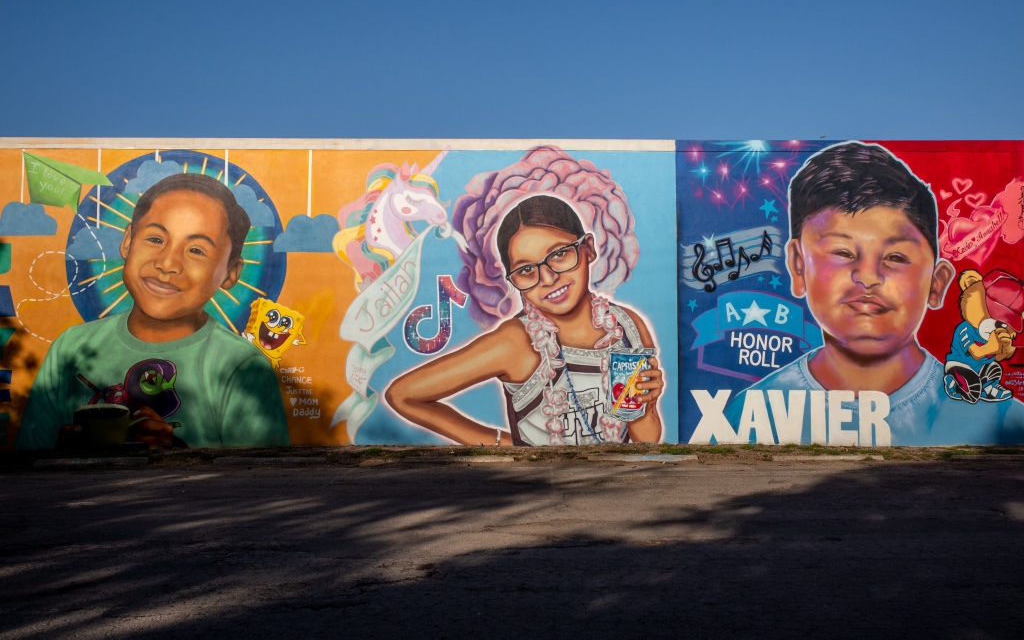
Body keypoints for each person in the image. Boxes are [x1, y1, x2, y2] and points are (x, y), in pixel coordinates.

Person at [714, 142, 1024, 446]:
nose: (868, 277)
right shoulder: (749, 413)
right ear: (798, 266)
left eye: (896, 257)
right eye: (842, 251)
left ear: (936, 283)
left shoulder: (1005, 420)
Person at [15, 173, 290, 449]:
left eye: (195, 250)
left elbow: (259, 481)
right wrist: (59, 459)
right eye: (156, 239)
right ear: (127, 242)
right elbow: (26, 469)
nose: (167, 263)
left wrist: (175, 456)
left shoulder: (240, 366)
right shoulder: (70, 349)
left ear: (230, 273)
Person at [386, 195, 664, 446]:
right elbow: (403, 395)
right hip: (542, 493)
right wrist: (500, 444)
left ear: (587, 249)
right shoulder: (515, 342)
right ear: (514, 281)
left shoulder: (627, 326)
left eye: (558, 254)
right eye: (527, 269)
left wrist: (647, 406)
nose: (548, 278)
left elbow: (646, 442)